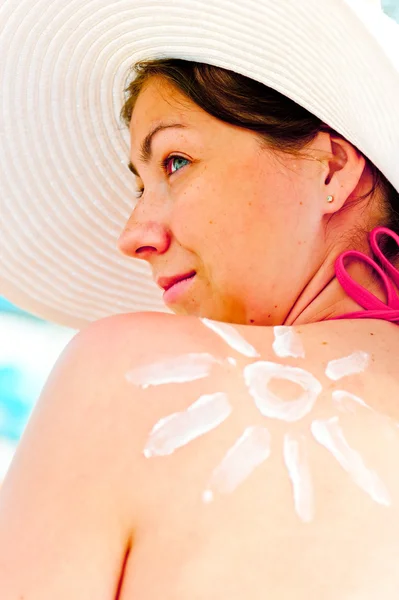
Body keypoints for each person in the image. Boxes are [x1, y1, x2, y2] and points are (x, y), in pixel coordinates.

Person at [0, 0, 398, 598]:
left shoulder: (131, 374)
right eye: (141, 185)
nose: (133, 236)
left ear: (331, 169)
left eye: (176, 161)